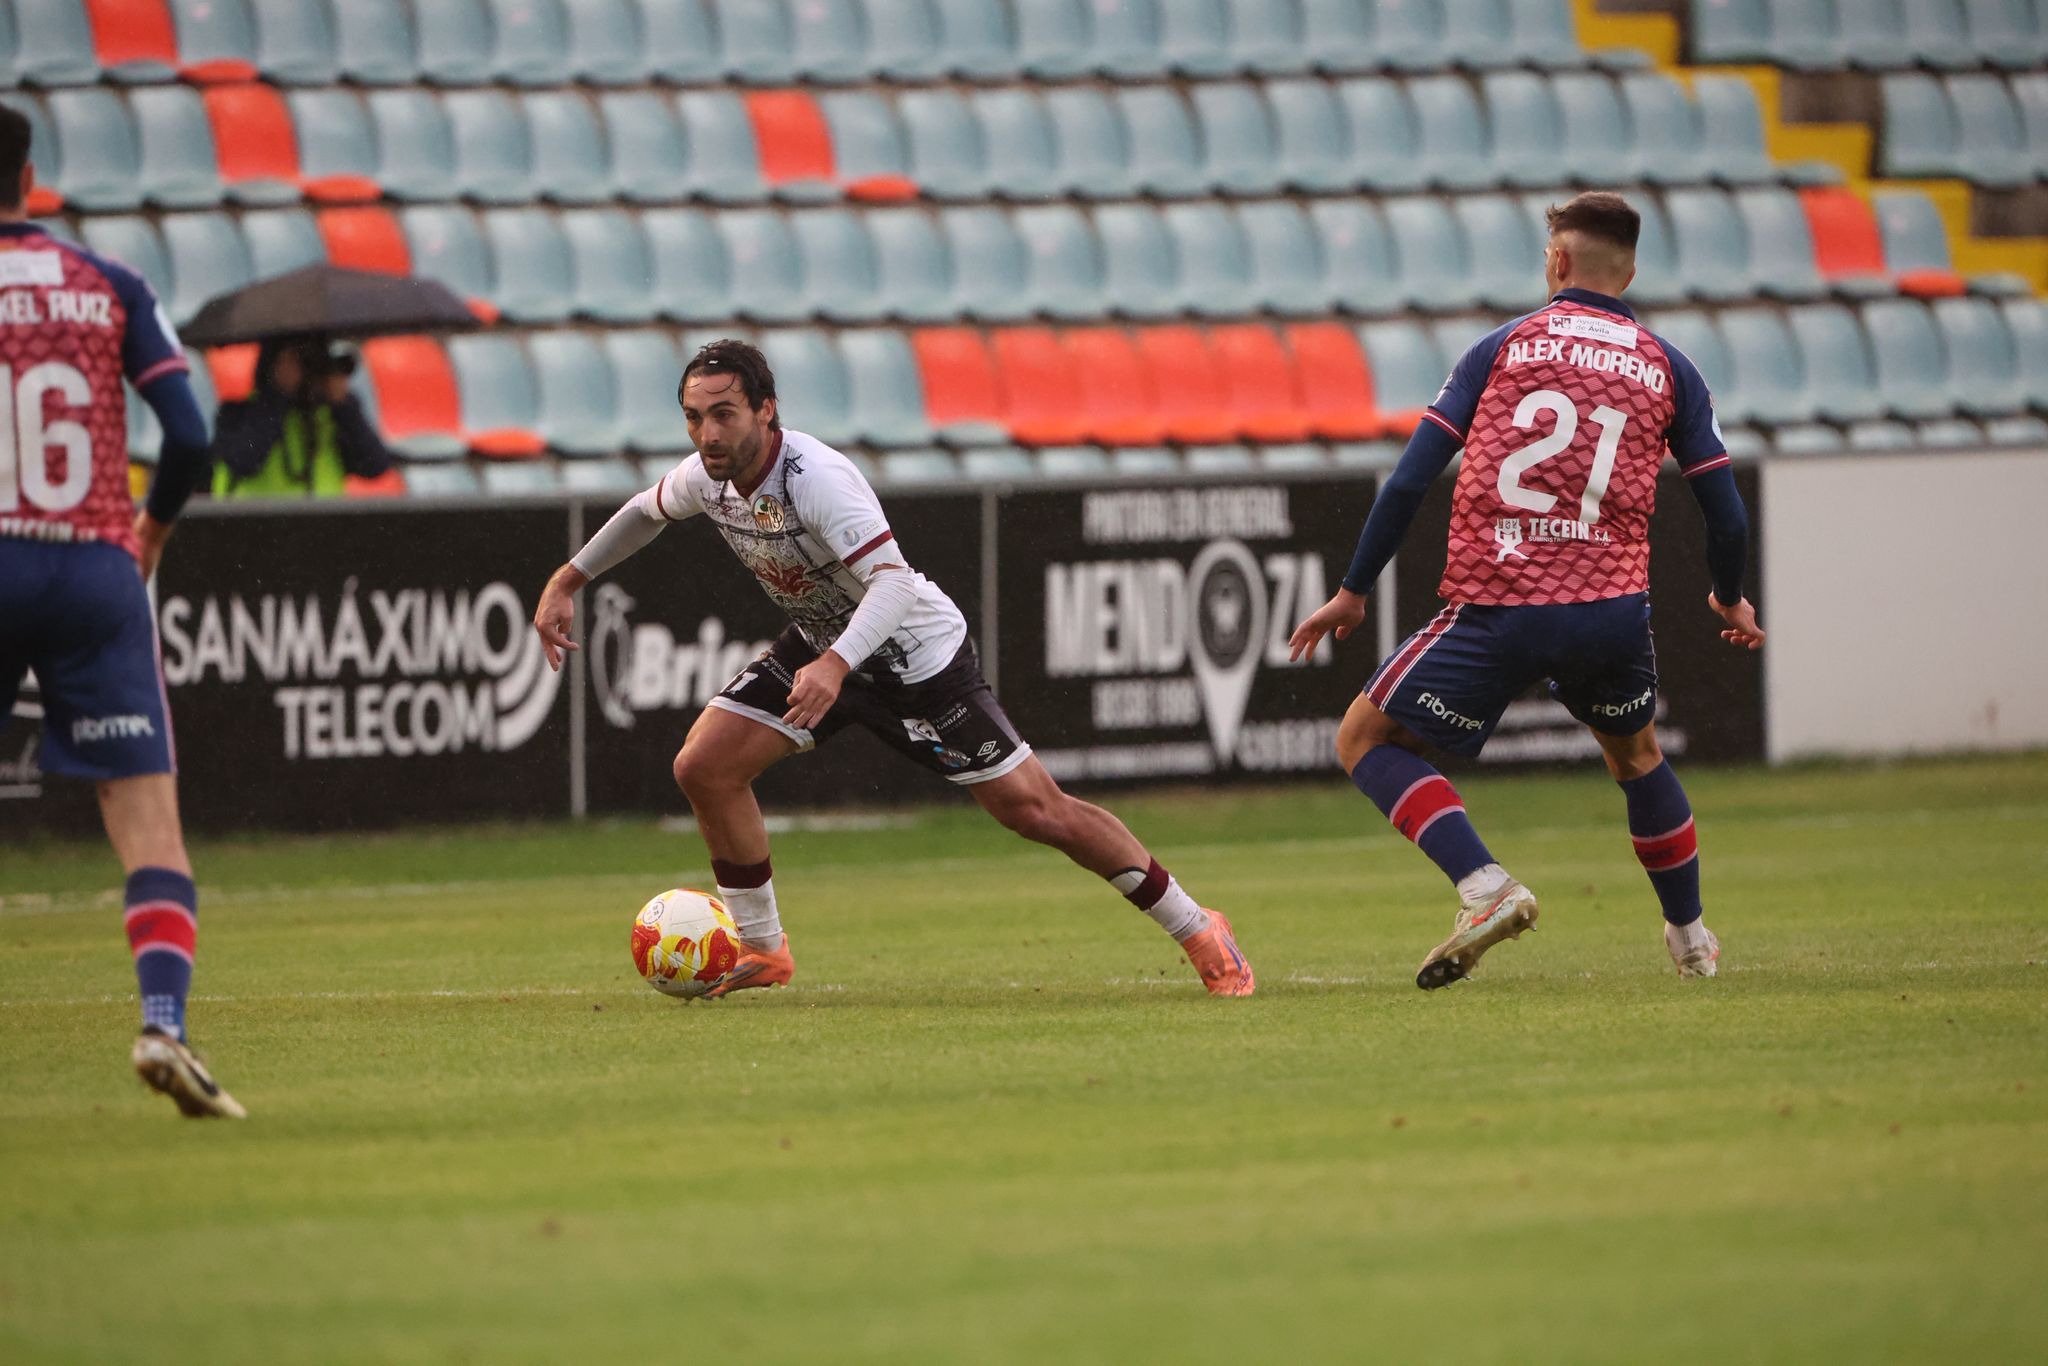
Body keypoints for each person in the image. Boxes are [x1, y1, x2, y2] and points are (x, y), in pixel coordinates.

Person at [532, 340, 1254, 998]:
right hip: (824, 648)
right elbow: (644, 510)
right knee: (705, 767)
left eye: (724, 414)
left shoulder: (815, 479)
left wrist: (836, 666)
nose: (708, 434)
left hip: (915, 659)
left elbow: (895, 582)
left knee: (1037, 812)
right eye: (694, 418)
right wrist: (569, 579)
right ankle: (764, 947)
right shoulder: (706, 477)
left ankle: (1196, 925)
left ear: (765, 409)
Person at [1288, 191, 1764, 991]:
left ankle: (1485, 886)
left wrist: (1354, 589)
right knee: (1637, 756)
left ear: (1557, 261)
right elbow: (1726, 510)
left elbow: (1409, 481)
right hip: (1611, 614)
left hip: (1501, 603)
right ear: (1632, 269)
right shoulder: (1668, 366)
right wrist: (1727, 594)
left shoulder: (1502, 349)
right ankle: (1690, 940)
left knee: (1363, 740)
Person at [0, 107, 243, 1114]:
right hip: (95, 566)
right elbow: (190, 433)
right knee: (149, 828)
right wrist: (151, 528)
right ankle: (165, 1026)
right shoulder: (108, 284)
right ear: (31, 173)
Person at [210, 336, 392, 497]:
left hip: (321, 530)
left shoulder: (331, 416)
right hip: (255, 530)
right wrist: (278, 393)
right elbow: (244, 461)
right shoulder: (236, 413)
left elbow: (374, 467)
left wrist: (343, 406)